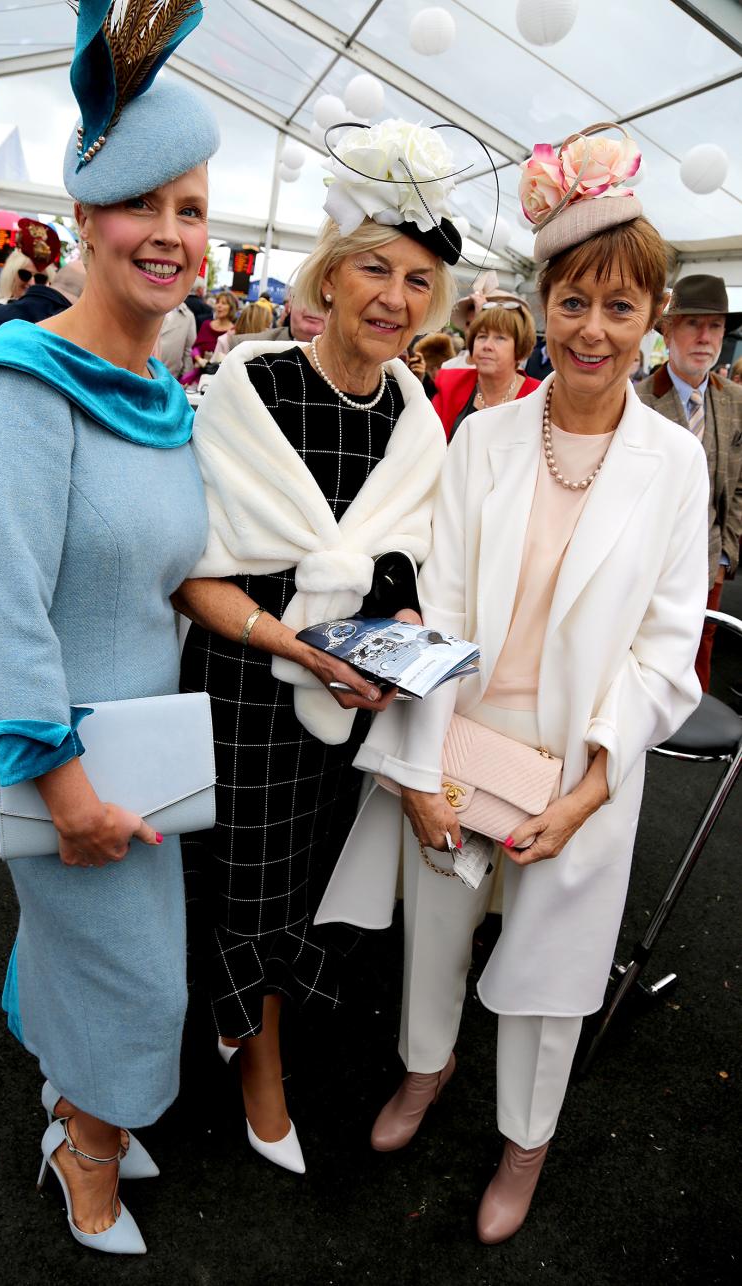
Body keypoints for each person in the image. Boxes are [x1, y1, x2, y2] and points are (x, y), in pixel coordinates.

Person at [316, 123, 708, 1245]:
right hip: (464, 718)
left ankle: (525, 1140)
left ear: (650, 317)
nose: (592, 329)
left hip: (581, 746)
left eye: (619, 307)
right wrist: (416, 769)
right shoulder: (484, 439)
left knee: (547, 966)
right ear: (540, 304)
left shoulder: (673, 463)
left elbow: (666, 648)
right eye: (572, 301)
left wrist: (587, 792)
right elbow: (440, 611)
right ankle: (424, 1067)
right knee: (436, 922)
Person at [0, 0, 219, 1255]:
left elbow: (174, 571)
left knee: (116, 952)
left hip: (146, 744)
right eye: (139, 203)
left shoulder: (162, 389)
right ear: (84, 214)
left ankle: (79, 1091)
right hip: (53, 746)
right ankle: (82, 1143)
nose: (168, 233)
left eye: (191, 208)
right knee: (138, 973)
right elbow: (0, 615)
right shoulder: (17, 384)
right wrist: (60, 785)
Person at [174, 117, 459, 1177]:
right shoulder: (251, 388)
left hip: (346, 702)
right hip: (244, 688)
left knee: (306, 883)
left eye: (418, 280)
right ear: (329, 276)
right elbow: (191, 573)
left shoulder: (416, 418)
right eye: (375, 269)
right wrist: (297, 645)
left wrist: (398, 636)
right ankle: (260, 1072)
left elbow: (404, 566)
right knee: (249, 882)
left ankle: (247, 1020)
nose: (395, 298)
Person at [635, 275, 742, 691]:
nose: (704, 337)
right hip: (648, 565)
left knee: (699, 656)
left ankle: (695, 723)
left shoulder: (733, 400)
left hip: (708, 563)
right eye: (692, 323)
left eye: (715, 326)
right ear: (667, 331)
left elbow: (738, 484)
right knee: (644, 658)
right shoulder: (638, 399)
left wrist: (725, 555)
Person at [432, 291, 540, 439]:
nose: (487, 346)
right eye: (482, 336)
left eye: (500, 338)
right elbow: (431, 441)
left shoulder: (539, 396)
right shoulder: (450, 383)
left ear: (520, 346)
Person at [0, 259, 86, 365]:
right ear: (11, 275)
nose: (32, 282)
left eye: (40, 278)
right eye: (25, 275)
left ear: (50, 282)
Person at [227, 287, 326, 349]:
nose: (315, 305)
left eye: (326, 300)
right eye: (307, 297)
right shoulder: (243, 347)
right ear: (290, 303)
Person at [184, 289, 237, 381]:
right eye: (217, 302)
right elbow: (196, 348)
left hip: (222, 378)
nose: (219, 306)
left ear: (231, 308)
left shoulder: (234, 331)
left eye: (224, 303)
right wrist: (199, 359)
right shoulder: (206, 325)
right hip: (200, 374)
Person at [156, 299, 197, 381]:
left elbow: (189, 350)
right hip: (141, 375)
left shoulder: (188, 316)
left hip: (171, 377)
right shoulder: (148, 307)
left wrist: (185, 378)